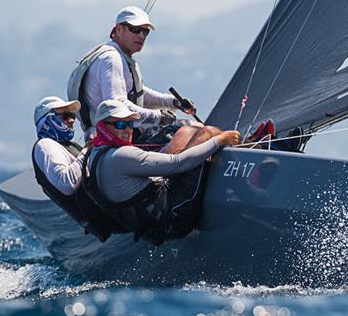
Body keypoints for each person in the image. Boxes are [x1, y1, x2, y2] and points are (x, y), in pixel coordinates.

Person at [82, 99, 241, 246]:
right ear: (103, 126)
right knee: (209, 132)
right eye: (120, 125)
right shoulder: (120, 156)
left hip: (152, 225)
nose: (128, 130)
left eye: (130, 123)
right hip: (175, 220)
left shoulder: (94, 153)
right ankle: (246, 181)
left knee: (185, 131)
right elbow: (180, 163)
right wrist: (220, 140)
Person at [66, 5, 222, 153]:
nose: (141, 35)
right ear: (118, 29)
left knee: (196, 129)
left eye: (145, 31)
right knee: (198, 131)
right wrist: (160, 119)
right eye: (135, 29)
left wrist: (173, 102)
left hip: (117, 136)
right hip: (111, 139)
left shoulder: (117, 56)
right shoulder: (111, 59)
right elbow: (118, 105)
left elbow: (138, 93)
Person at [31, 96, 126, 241]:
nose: (72, 120)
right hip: (109, 220)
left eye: (73, 116)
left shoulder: (67, 145)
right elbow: (66, 184)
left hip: (112, 210)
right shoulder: (45, 145)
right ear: (48, 119)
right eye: (65, 115)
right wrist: (87, 149)